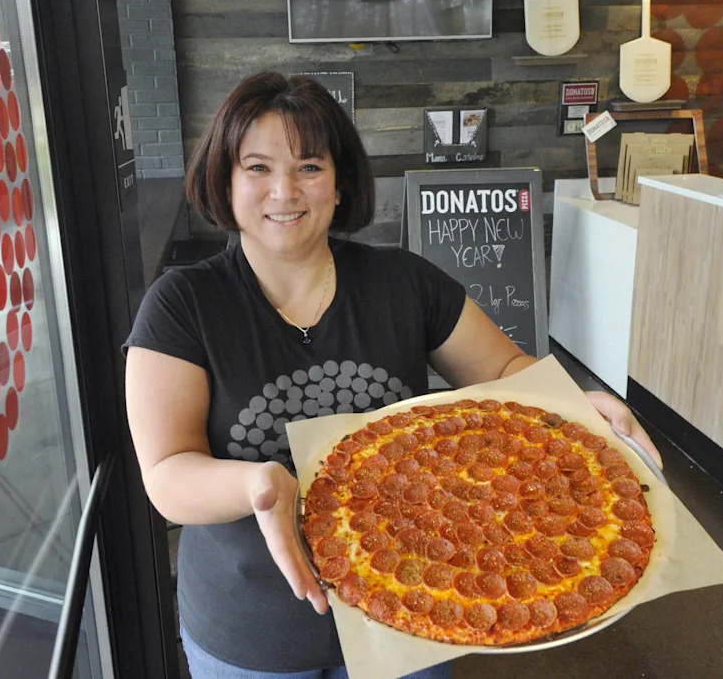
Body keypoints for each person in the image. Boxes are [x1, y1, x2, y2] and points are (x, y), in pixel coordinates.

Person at [123, 71, 662, 679]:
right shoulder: (183, 303)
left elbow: (505, 370)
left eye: (309, 166)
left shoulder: (403, 281)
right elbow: (167, 472)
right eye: (257, 168)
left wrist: (573, 399)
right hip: (252, 636)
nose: (284, 191)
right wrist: (258, 485)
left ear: (340, 182)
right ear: (224, 178)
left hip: (415, 616)